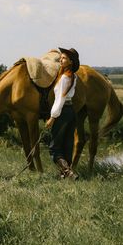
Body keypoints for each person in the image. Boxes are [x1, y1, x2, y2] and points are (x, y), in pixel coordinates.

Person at [46, 47, 80, 179]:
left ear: (71, 61)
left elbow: (60, 99)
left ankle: (68, 172)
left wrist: (52, 118)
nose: (61, 59)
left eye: (64, 58)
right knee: (67, 144)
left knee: (54, 148)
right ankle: (64, 174)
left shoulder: (65, 78)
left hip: (62, 112)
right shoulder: (73, 76)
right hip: (71, 111)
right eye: (61, 57)